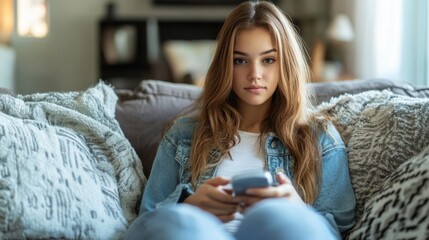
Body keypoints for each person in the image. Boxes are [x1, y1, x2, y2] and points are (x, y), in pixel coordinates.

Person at [124, 1, 356, 239]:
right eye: (240, 60)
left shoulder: (320, 137)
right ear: (225, 65)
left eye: (268, 60)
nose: (254, 74)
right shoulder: (183, 136)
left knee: (279, 220)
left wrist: (297, 209)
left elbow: (339, 229)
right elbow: (145, 225)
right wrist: (189, 205)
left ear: (285, 64)